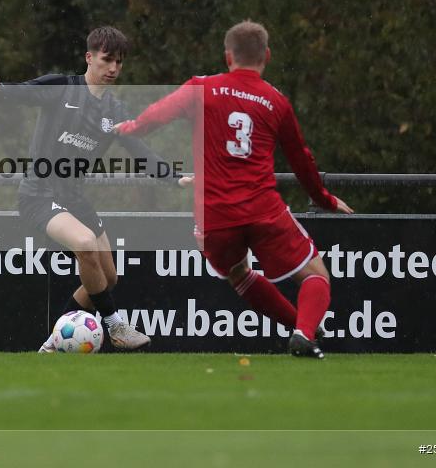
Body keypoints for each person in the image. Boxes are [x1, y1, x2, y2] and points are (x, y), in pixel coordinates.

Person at [115, 20, 353, 359]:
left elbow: (157, 114)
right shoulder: (276, 101)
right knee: (316, 274)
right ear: (266, 56)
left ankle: (303, 330)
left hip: (214, 216)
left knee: (238, 275)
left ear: (229, 57)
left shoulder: (202, 87)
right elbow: (301, 159)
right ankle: (304, 330)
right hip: (261, 209)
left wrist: (130, 128)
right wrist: (323, 200)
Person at [0, 26, 172, 352]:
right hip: (38, 195)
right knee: (84, 244)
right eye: (107, 60)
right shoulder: (62, 87)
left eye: (119, 63)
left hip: (75, 199)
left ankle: (53, 344)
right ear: (89, 57)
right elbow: (22, 92)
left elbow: (140, 152)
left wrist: (173, 177)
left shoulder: (115, 111)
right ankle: (115, 326)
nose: (113, 69)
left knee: (108, 279)